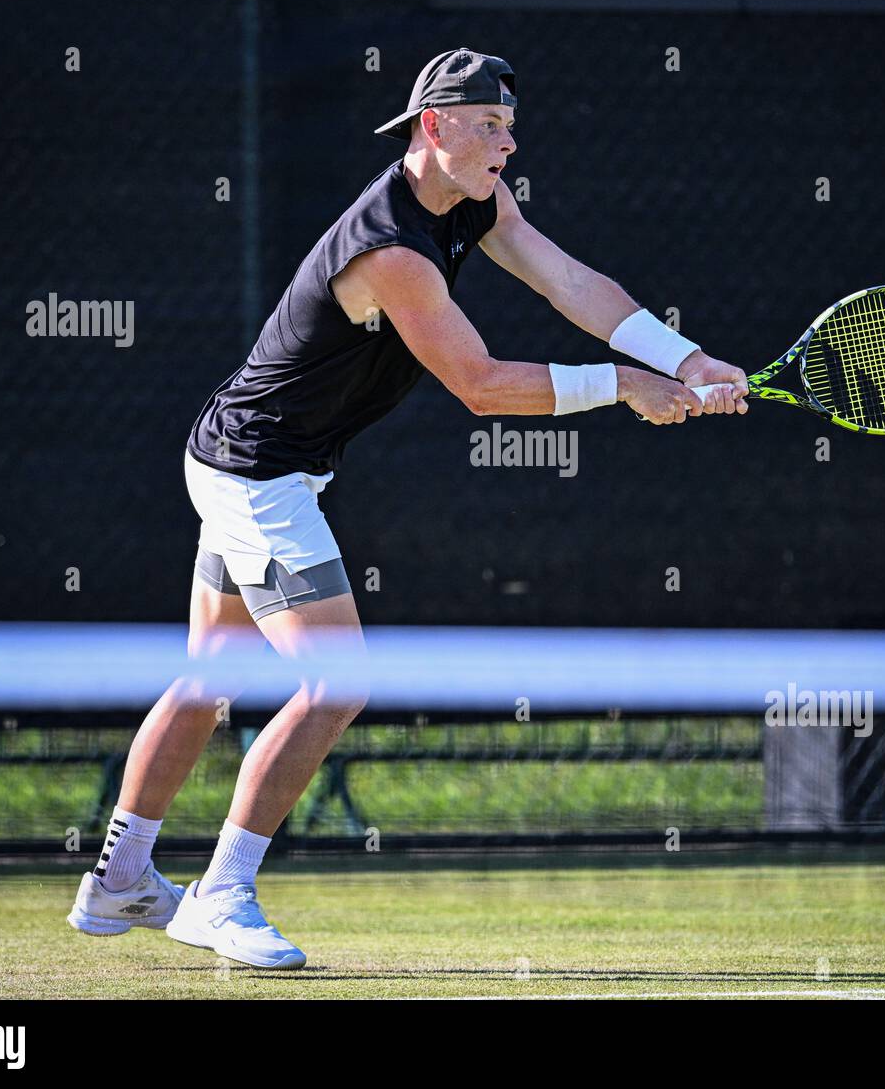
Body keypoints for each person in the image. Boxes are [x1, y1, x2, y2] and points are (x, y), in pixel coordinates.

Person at [67, 48, 748, 968]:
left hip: (245, 459)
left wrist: (687, 360)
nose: (508, 141)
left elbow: (569, 282)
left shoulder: (477, 200)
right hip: (256, 474)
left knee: (209, 677)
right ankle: (221, 894)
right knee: (338, 681)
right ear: (435, 127)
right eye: (489, 125)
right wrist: (624, 387)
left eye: (510, 125)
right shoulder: (389, 249)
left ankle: (117, 885)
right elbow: (478, 384)